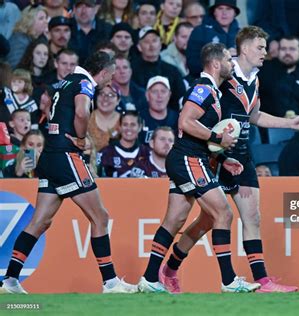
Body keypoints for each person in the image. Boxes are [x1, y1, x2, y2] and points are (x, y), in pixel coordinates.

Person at [161, 26, 299, 293]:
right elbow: (200, 110)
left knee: (252, 217)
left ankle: (262, 280)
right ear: (244, 48)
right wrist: (216, 152)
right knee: (207, 221)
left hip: (242, 155)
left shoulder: (255, 79)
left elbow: (254, 116)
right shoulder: (223, 74)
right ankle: (171, 267)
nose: (266, 53)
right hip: (214, 157)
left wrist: (291, 124)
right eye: (260, 47)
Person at [0, 51, 136, 294]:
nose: (111, 81)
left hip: (50, 156)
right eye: (111, 75)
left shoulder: (67, 82)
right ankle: (110, 282)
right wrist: (81, 139)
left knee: (40, 221)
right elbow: (82, 112)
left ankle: (9, 280)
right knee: (100, 217)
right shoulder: (84, 83)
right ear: (103, 71)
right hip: (66, 156)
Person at [137, 43, 260, 294]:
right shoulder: (204, 89)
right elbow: (185, 121)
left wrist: (223, 157)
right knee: (223, 214)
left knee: (175, 220)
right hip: (189, 159)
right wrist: (218, 138)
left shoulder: (211, 90)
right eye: (228, 58)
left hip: (189, 158)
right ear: (216, 64)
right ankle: (228, 281)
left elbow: (196, 131)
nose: (231, 63)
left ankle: (149, 278)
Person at [97, 111, 149, 177]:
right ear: (119, 127)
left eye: (132, 125)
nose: (128, 129)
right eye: (125, 125)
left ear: (140, 127)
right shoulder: (105, 153)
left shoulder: (147, 153)